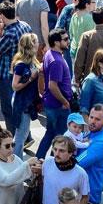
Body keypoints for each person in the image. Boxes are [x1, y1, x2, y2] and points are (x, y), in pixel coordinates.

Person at [0, 1, 33, 134]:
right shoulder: (25, 26)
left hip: (7, 75)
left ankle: (14, 136)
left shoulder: (9, 33)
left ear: (2, 16)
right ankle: (26, 135)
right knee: (20, 106)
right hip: (24, 71)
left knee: (8, 109)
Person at [36, 30, 74, 159]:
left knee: (50, 134)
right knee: (60, 139)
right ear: (57, 42)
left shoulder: (50, 54)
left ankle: (39, 160)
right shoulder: (57, 61)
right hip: (58, 106)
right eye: (65, 39)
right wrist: (64, 101)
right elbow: (53, 85)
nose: (68, 41)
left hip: (51, 104)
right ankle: (54, 164)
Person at [41, 136, 91, 204]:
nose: (56, 153)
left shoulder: (80, 173)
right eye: (55, 149)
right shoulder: (47, 162)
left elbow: (85, 197)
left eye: (61, 151)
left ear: (71, 153)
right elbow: (44, 181)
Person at [76, 104, 103, 204]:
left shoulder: (101, 142)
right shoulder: (90, 133)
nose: (92, 121)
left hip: (88, 196)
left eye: (97, 119)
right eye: (91, 117)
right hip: (81, 190)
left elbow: (78, 162)